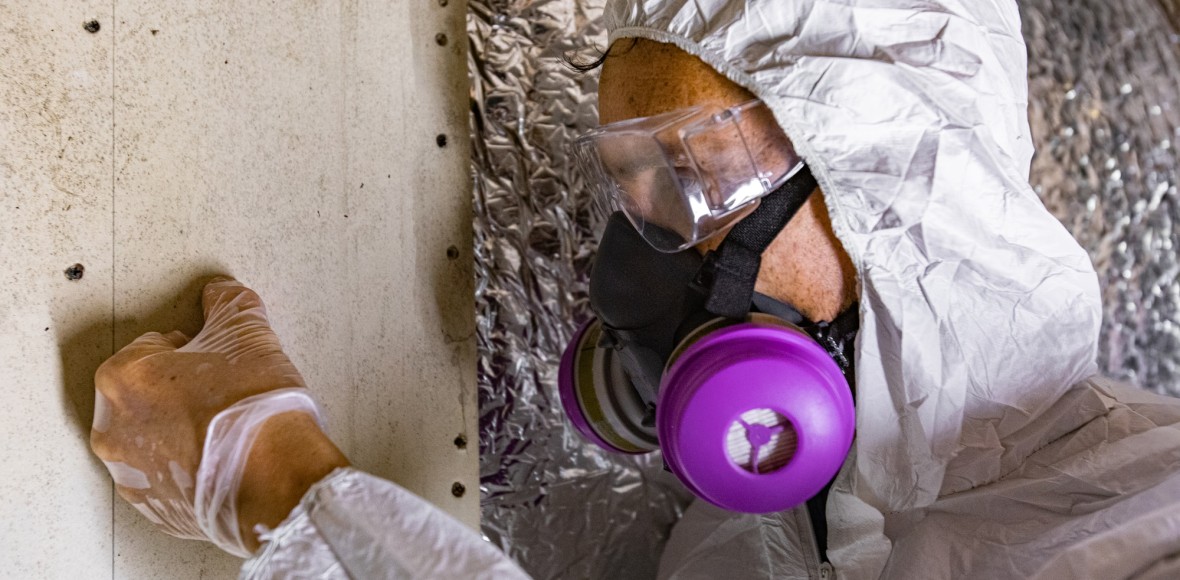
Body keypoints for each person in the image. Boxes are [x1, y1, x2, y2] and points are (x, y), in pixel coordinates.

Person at [91, 1, 1180, 578]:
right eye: (636, 189)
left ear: (888, 191)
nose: (642, 262)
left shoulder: (1137, 524)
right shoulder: (761, 527)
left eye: (699, 185)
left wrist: (288, 493)